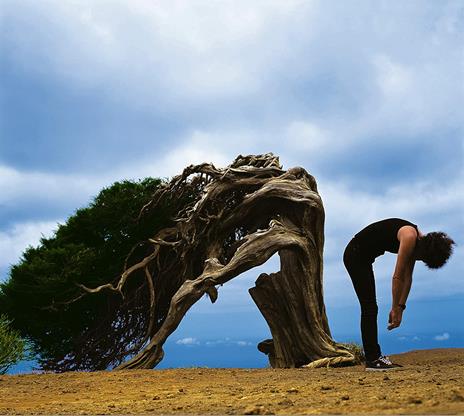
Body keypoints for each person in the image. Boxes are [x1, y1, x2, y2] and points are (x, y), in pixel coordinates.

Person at [343, 218, 455, 371]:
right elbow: (398, 276)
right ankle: (373, 359)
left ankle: (374, 358)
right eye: (422, 258)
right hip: (354, 255)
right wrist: (394, 307)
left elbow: (408, 278)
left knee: (370, 306)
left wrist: (400, 307)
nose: (419, 260)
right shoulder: (409, 237)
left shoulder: (418, 241)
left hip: (363, 258)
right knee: (369, 307)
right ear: (424, 249)